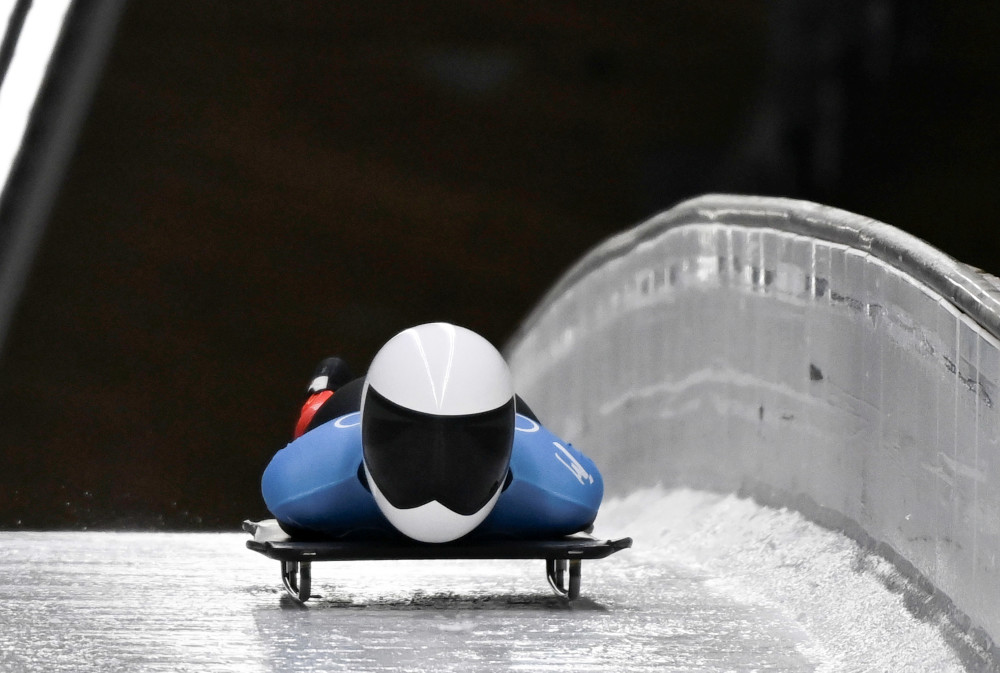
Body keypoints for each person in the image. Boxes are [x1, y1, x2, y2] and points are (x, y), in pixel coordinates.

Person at [261, 322, 603, 543]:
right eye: (405, 440)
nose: (438, 467)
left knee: (313, 422)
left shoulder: (300, 490)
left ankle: (329, 385)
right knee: (314, 415)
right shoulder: (564, 497)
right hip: (348, 411)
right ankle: (324, 388)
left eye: (470, 445)